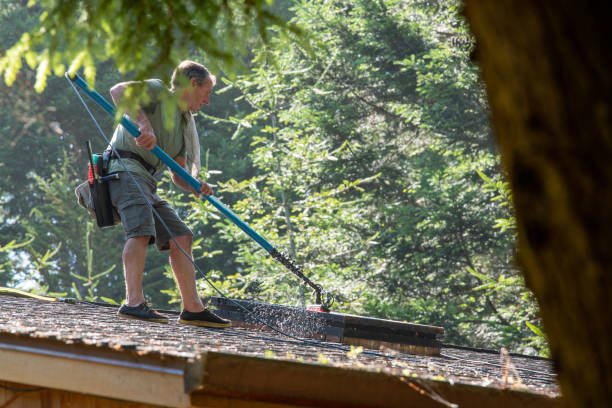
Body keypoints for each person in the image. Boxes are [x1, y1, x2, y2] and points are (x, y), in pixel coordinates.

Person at [106, 60, 230, 328]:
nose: (207, 101)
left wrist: (196, 185)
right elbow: (118, 91)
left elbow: (178, 175)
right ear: (192, 84)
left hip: (146, 180)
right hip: (123, 169)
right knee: (141, 230)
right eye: (206, 93)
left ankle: (193, 308)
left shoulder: (184, 125)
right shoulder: (158, 91)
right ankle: (133, 302)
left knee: (181, 235)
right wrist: (144, 125)